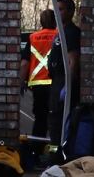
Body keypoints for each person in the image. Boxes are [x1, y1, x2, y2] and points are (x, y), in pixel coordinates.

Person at [47, 0, 81, 153]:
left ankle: (59, 158)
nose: (57, 13)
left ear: (70, 11)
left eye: (60, 9)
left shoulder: (71, 32)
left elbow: (73, 60)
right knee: (53, 122)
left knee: (60, 122)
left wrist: (68, 85)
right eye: (56, 10)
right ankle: (53, 156)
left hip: (64, 82)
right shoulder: (59, 32)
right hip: (56, 82)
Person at [19, 9, 58, 139]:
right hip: (55, 84)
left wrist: (21, 82)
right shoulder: (60, 36)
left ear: (41, 21)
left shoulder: (33, 37)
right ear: (55, 20)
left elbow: (24, 64)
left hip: (38, 86)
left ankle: (36, 150)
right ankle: (55, 150)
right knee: (55, 118)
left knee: (40, 118)